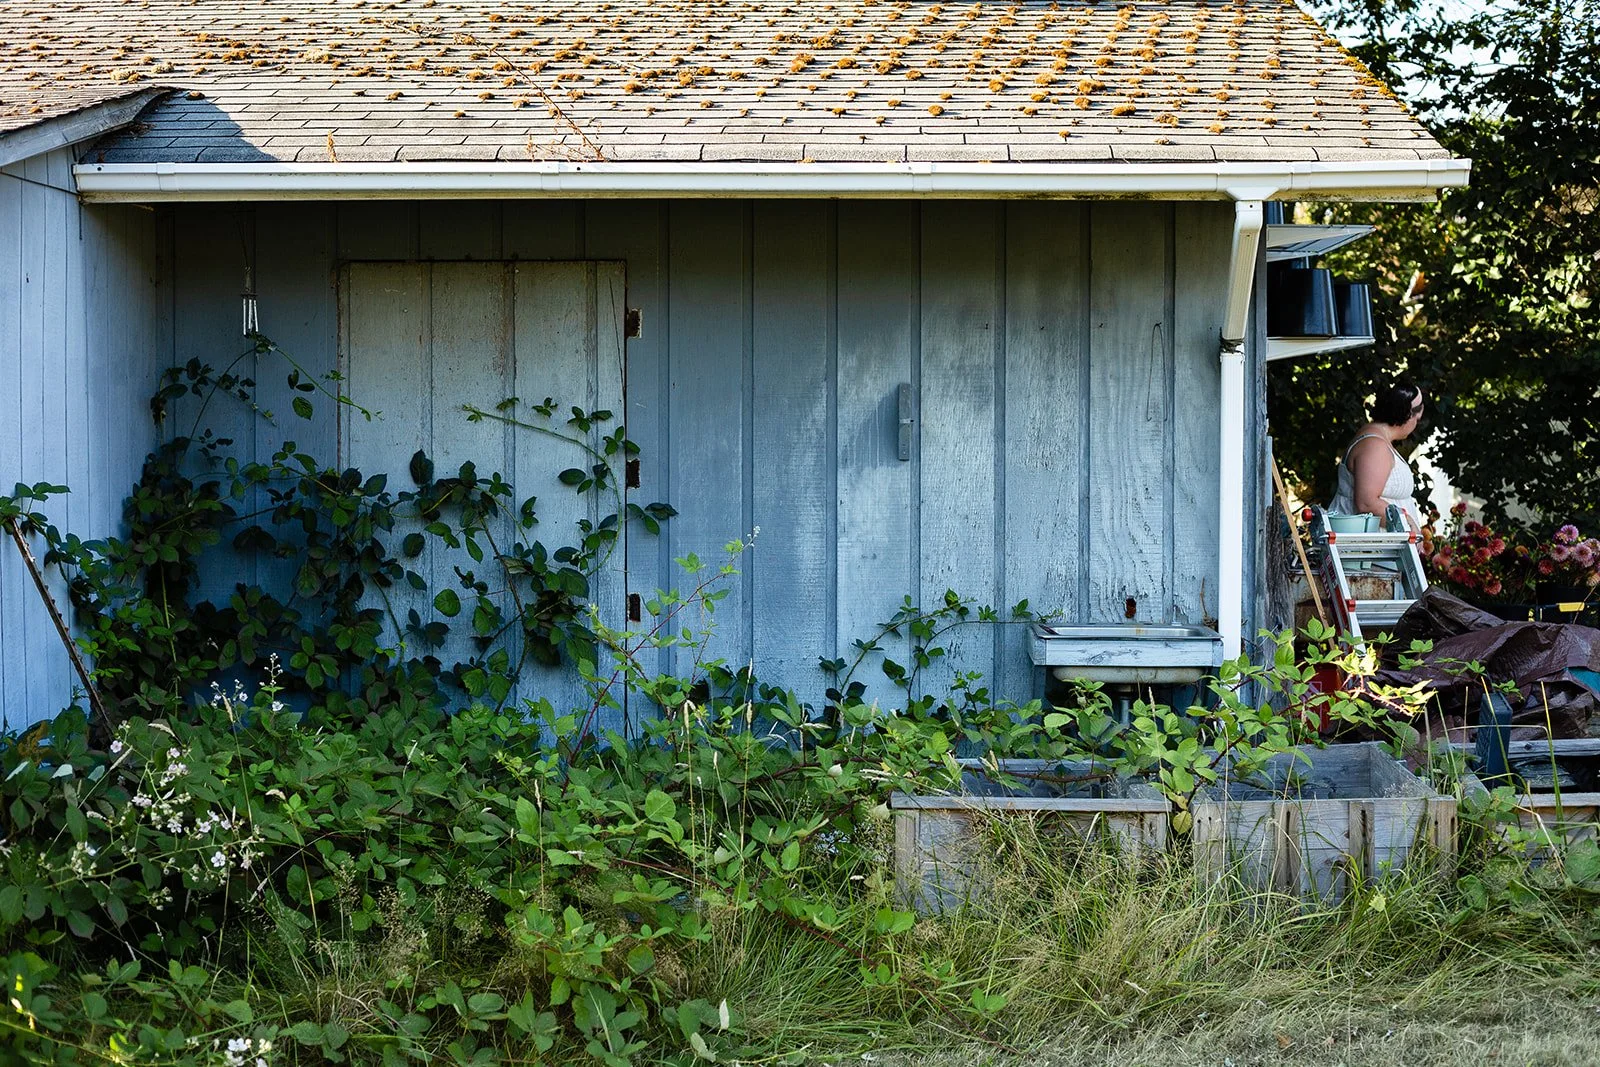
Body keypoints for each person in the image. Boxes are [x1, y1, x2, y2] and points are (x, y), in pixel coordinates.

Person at [1328, 379, 1425, 533]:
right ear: (1408, 415)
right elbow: (1367, 502)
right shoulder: (1375, 446)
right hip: (1367, 549)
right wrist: (1407, 523)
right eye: (1417, 420)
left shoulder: (1377, 438)